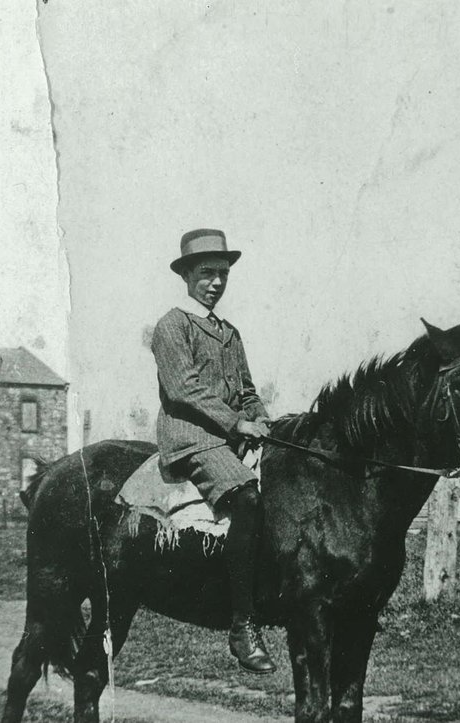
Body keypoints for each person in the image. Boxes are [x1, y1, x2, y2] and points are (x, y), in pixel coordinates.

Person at [150, 228, 276, 674]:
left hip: (228, 436)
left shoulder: (230, 333)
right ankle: (242, 626)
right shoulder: (171, 325)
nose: (216, 282)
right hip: (191, 438)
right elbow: (183, 389)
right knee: (247, 497)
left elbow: (246, 389)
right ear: (186, 275)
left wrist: (260, 418)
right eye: (207, 273)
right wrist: (235, 422)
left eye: (222, 274)